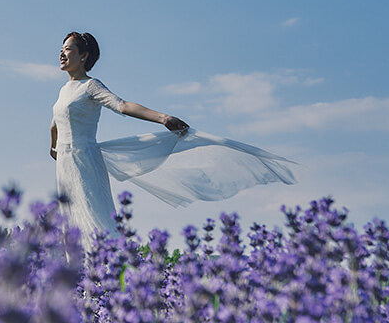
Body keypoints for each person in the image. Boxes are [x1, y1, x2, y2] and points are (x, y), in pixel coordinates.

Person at [50, 31, 296, 237]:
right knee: (69, 222)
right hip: (64, 164)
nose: (62, 53)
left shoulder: (90, 86)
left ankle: (107, 282)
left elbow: (122, 105)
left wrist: (163, 118)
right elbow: (55, 124)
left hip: (84, 161)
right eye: (62, 48)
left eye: (68, 49)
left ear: (83, 56)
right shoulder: (64, 91)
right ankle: (77, 288)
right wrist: (54, 148)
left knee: (93, 217)